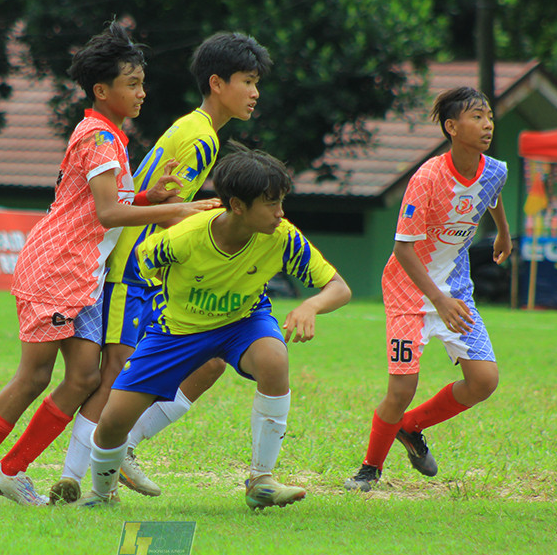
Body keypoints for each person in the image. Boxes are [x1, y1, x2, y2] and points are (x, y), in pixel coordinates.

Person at [0, 22, 219, 507]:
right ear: (102, 90)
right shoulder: (99, 138)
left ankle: (11, 470)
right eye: (132, 84)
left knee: (85, 378)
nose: (142, 93)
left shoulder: (110, 136)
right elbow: (108, 213)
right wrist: (177, 210)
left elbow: (105, 203)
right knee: (34, 377)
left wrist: (150, 196)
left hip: (83, 274)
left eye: (142, 83)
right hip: (56, 268)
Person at [50, 31, 273, 505]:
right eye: (248, 81)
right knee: (119, 372)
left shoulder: (197, 131)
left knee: (206, 361)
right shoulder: (199, 138)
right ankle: (78, 475)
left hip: (148, 269)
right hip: (133, 267)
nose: (255, 93)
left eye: (257, 83)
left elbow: (163, 202)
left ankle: (119, 448)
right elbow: (172, 213)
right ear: (217, 83)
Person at [76, 142, 352, 509]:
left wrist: (311, 306)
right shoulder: (184, 237)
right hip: (178, 331)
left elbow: (339, 287)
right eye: (271, 203)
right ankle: (102, 493)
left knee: (274, 358)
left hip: (243, 322)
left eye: (281, 202)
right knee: (113, 421)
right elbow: (141, 264)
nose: (280, 213)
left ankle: (261, 480)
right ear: (237, 206)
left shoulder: (282, 237)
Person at [344, 86, 512, 492]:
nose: (487, 124)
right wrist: (437, 299)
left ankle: (410, 427)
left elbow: (491, 194)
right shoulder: (427, 178)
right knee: (402, 388)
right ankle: (369, 469)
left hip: (456, 289)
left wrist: (503, 232)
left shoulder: (496, 170)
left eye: (489, 116)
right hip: (408, 292)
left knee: (484, 380)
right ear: (452, 127)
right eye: (476, 117)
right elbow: (402, 249)